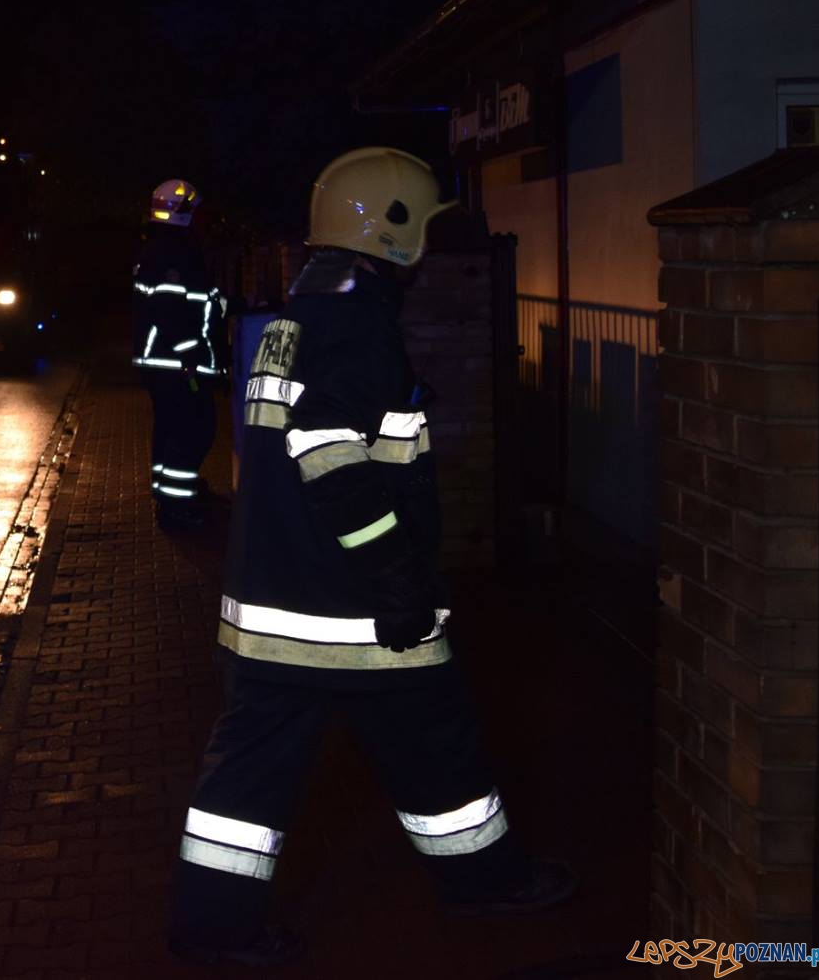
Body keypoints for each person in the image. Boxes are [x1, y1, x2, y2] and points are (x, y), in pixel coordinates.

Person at [166, 147, 575, 967]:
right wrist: (395, 574)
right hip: (359, 610)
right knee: (439, 742)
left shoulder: (294, 319)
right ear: (390, 234)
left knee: (242, 788)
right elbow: (331, 460)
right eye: (420, 230)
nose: (425, 248)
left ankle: (211, 930)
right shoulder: (358, 325)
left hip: (272, 604)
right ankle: (483, 879)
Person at [131, 178, 226, 529]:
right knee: (195, 430)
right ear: (183, 213)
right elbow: (170, 311)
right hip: (178, 364)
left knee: (170, 429)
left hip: (165, 364)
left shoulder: (160, 248)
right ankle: (177, 506)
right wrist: (192, 356)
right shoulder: (174, 252)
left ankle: (168, 492)